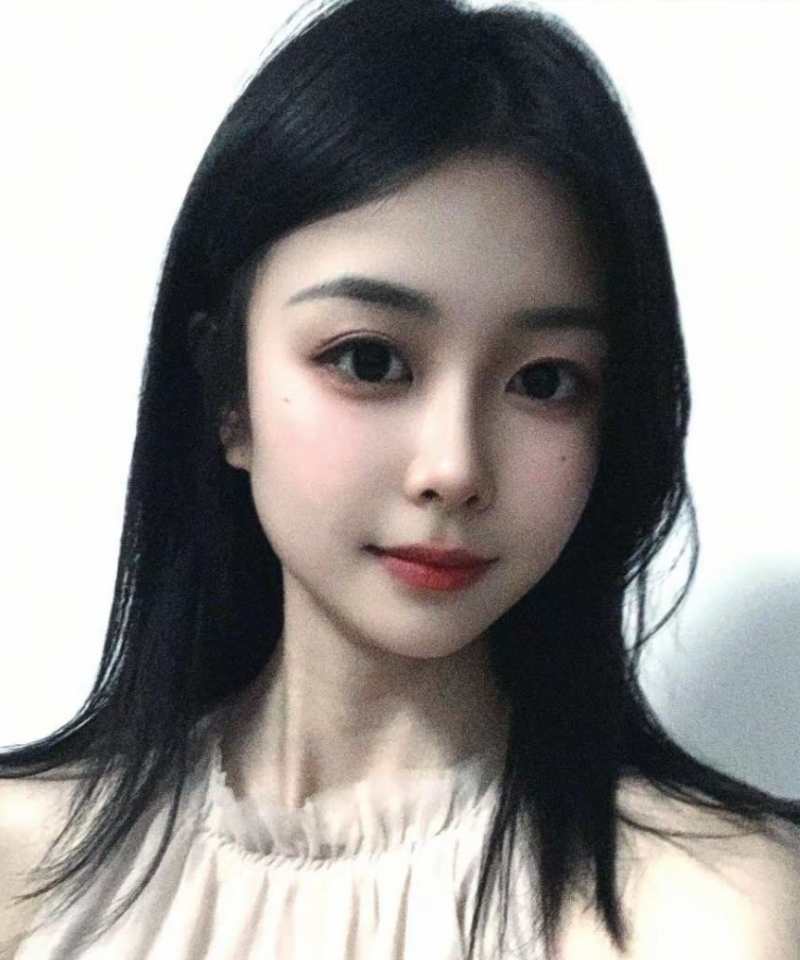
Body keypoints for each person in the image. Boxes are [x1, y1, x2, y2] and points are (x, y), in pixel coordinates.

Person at [1, 0, 799, 957]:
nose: (454, 469)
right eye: (370, 361)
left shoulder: (703, 912)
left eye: (544, 381)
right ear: (228, 396)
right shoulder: (24, 875)